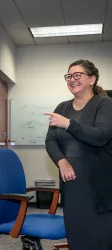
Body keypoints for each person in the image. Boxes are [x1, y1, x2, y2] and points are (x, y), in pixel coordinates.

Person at [44, 59, 112, 250]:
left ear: (92, 79)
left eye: (77, 75)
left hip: (99, 185)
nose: (72, 79)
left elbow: (100, 136)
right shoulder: (62, 107)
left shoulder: (105, 104)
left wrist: (68, 124)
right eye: (69, 76)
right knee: (77, 236)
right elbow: (50, 140)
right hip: (71, 183)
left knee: (101, 239)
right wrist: (61, 161)